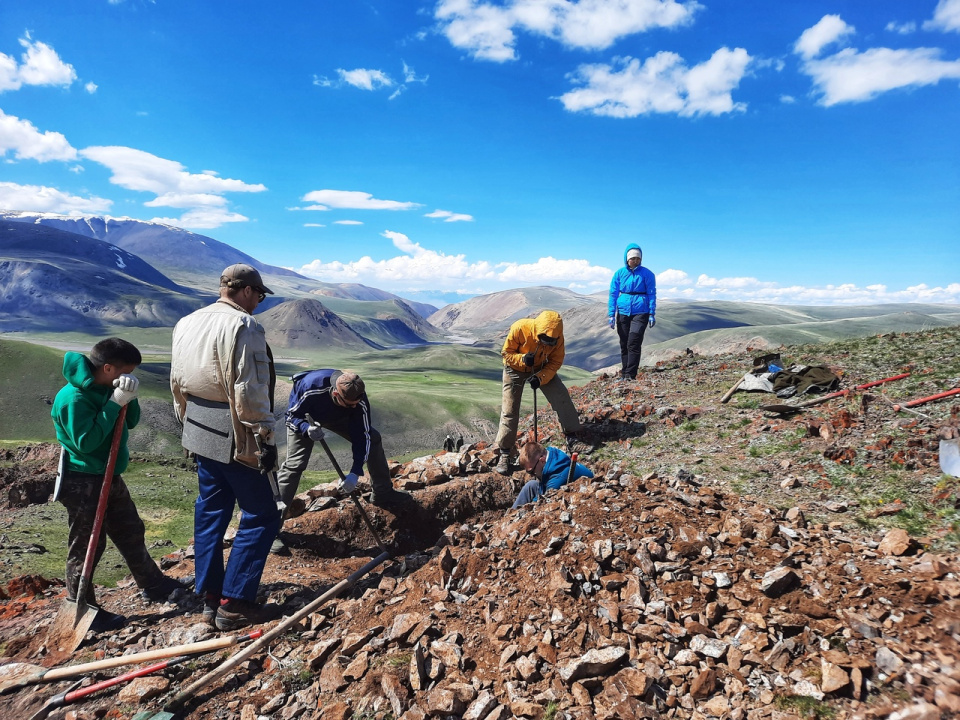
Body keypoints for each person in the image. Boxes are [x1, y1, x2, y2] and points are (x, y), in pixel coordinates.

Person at [170, 263, 282, 632]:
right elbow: (247, 387)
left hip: (199, 427)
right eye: (259, 296)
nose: (259, 303)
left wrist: (187, 422)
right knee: (262, 514)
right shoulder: (243, 326)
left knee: (211, 512)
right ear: (247, 291)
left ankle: (209, 596)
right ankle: (234, 602)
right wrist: (263, 434)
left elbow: (177, 382)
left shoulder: (187, 322)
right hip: (236, 431)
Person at [52, 338, 187, 632]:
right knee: (88, 546)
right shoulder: (74, 398)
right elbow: (86, 443)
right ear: (108, 367)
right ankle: (82, 608)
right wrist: (113, 404)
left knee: (130, 529)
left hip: (110, 476)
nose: (128, 377)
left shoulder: (109, 387)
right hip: (83, 481)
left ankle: (153, 584)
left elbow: (132, 422)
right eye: (125, 372)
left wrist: (129, 398)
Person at [272, 369, 405, 554]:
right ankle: (269, 530)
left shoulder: (357, 400)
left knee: (373, 439)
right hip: (306, 417)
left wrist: (355, 472)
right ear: (335, 393)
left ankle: (382, 493)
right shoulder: (310, 387)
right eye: (349, 404)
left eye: (356, 403)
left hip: (338, 416)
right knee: (294, 465)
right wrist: (305, 428)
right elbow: (291, 416)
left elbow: (363, 437)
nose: (354, 406)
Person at [494, 310, 583, 474]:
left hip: (541, 367)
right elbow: (506, 353)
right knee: (509, 410)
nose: (548, 344)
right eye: (544, 339)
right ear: (537, 331)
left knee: (561, 397)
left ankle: (572, 435)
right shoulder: (520, 328)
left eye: (551, 341)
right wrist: (521, 358)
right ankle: (505, 453)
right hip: (514, 369)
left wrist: (541, 378)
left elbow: (555, 361)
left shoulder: (558, 339)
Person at [608, 243, 657, 381]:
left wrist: (652, 313)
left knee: (633, 342)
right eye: (633, 258)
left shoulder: (648, 274)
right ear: (627, 259)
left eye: (638, 258)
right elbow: (613, 294)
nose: (635, 261)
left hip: (641, 311)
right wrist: (611, 314)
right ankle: (624, 373)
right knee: (624, 343)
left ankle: (630, 374)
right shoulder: (619, 274)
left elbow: (652, 293)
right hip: (623, 311)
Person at [512, 441, 593, 508]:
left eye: (531, 471)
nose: (532, 475)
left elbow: (538, 505)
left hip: (584, 496)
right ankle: (512, 514)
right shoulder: (550, 453)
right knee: (531, 485)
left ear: (542, 460)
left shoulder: (557, 479)